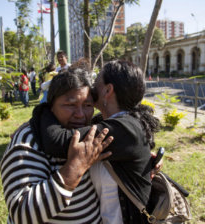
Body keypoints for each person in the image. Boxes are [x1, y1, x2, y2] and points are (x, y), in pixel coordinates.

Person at [30, 60, 160, 223]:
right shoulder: (117, 122)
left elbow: (56, 141)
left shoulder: (123, 128)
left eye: (97, 80)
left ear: (108, 90)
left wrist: (44, 108)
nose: (91, 86)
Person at [0, 68, 114, 224]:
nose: (80, 114)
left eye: (87, 105)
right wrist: (76, 167)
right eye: (70, 104)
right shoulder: (28, 141)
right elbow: (22, 214)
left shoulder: (90, 133)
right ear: (51, 105)